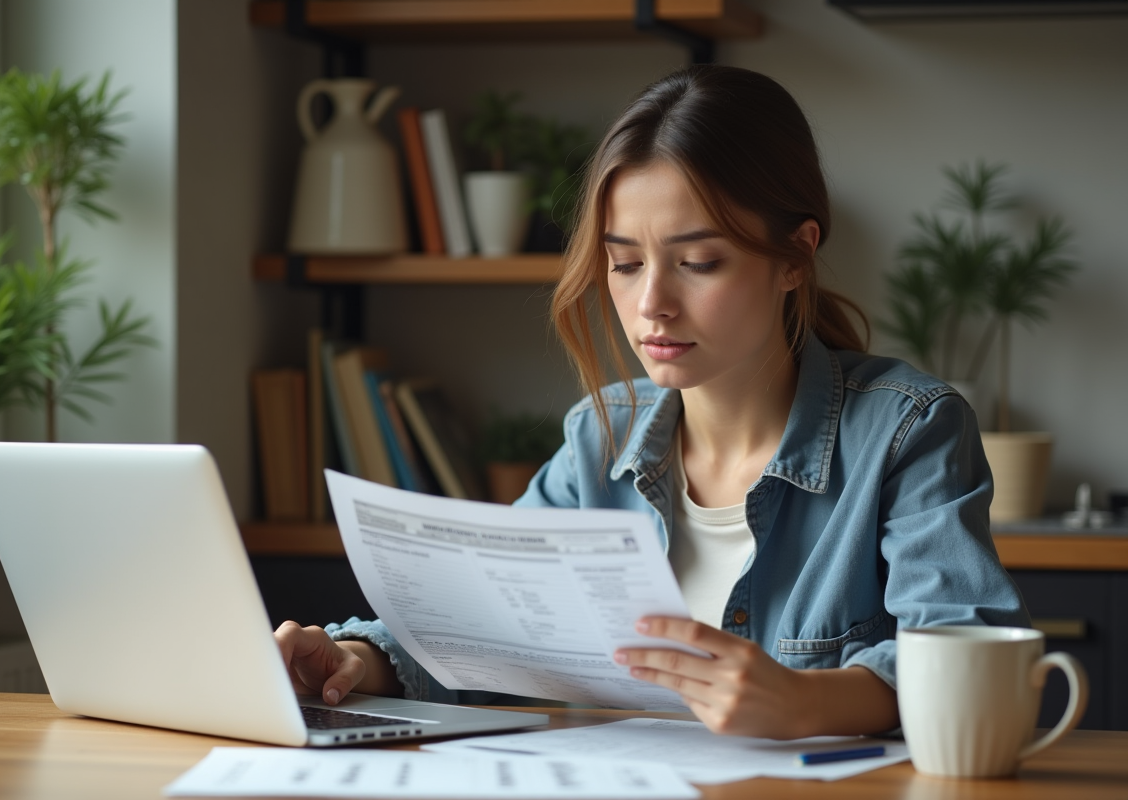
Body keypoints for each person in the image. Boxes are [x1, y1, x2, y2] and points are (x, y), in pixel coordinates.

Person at [275, 65, 1029, 739]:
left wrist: (805, 702)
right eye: (626, 263)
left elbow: (968, 656)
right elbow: (481, 629)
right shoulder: (600, 437)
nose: (651, 305)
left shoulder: (907, 430)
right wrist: (353, 659)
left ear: (796, 256)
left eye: (697, 262)